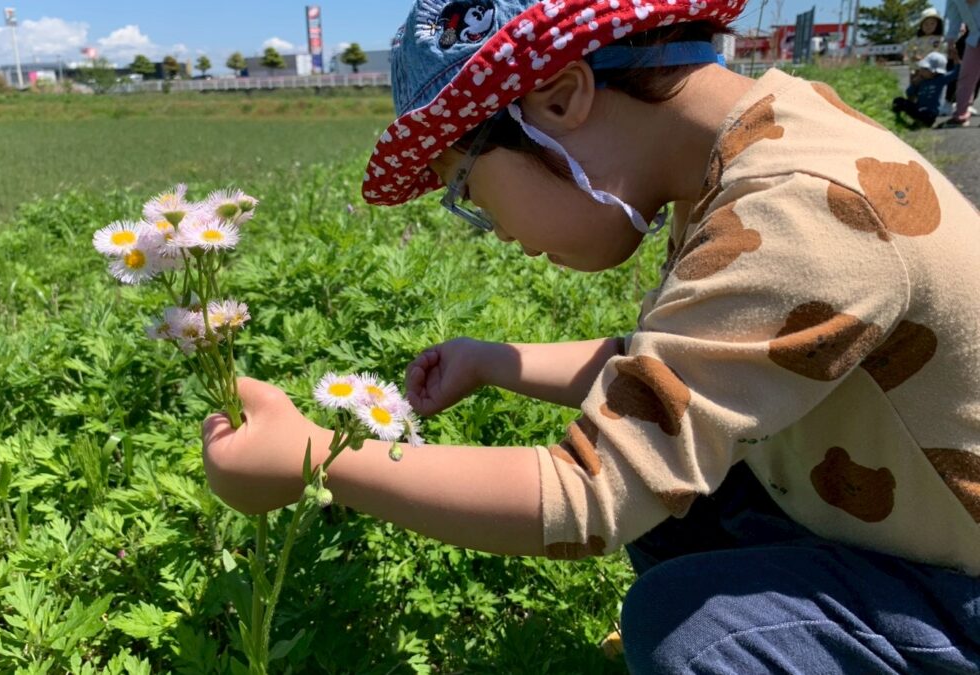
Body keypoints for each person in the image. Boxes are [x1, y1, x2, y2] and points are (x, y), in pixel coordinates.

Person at [202, 0, 980, 671]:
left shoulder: (802, 210)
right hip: (897, 527)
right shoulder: (759, 147)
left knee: (695, 633)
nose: (492, 232)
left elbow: (589, 495)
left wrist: (317, 461)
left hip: (962, 591)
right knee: (687, 505)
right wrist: (493, 362)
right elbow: (680, 377)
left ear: (559, 98)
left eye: (467, 188)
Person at [893, 51, 958, 126]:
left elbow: (955, 73)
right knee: (899, 101)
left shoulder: (940, 79)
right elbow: (909, 93)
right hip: (919, 108)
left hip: (930, 113)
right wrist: (913, 84)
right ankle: (899, 117)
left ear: (934, 72)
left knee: (926, 116)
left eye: (925, 69)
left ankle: (921, 122)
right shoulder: (921, 80)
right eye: (922, 68)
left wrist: (956, 60)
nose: (921, 71)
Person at [944, 0, 980, 125]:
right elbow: (954, 19)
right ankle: (961, 115)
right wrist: (950, 42)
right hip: (974, 38)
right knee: (966, 76)